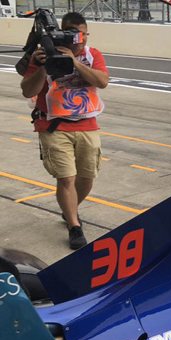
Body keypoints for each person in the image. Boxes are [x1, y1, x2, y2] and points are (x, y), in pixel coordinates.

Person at [20, 12, 109, 250]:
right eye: (73, 34)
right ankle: (74, 226)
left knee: (87, 177)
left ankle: (70, 210)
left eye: (83, 35)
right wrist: (43, 67)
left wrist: (75, 62)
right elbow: (28, 91)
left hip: (87, 124)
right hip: (53, 125)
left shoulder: (92, 55)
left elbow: (102, 81)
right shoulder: (43, 55)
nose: (79, 40)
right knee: (66, 177)